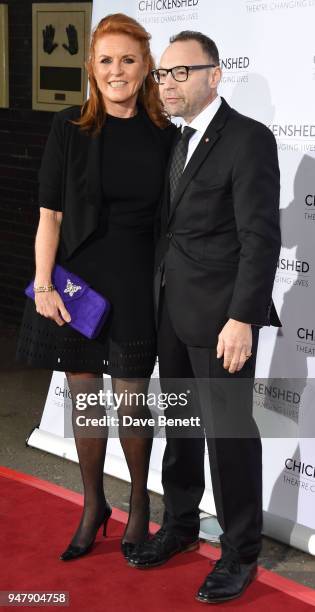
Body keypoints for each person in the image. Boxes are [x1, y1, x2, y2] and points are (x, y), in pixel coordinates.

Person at [128, 31, 281, 604]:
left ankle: (241, 553)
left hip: (222, 321)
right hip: (172, 308)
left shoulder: (248, 139)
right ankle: (181, 526)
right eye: (163, 75)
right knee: (184, 431)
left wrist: (242, 318)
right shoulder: (174, 137)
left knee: (230, 436)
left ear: (214, 76)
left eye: (180, 73)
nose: (167, 84)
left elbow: (260, 239)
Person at [16, 13, 176, 562]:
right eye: (105, 60)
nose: (117, 70)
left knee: (131, 403)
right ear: (91, 68)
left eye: (128, 59)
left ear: (146, 66)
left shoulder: (167, 135)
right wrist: (43, 285)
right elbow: (50, 216)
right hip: (78, 285)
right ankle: (92, 505)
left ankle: (138, 505)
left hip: (136, 285)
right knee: (85, 401)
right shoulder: (69, 128)